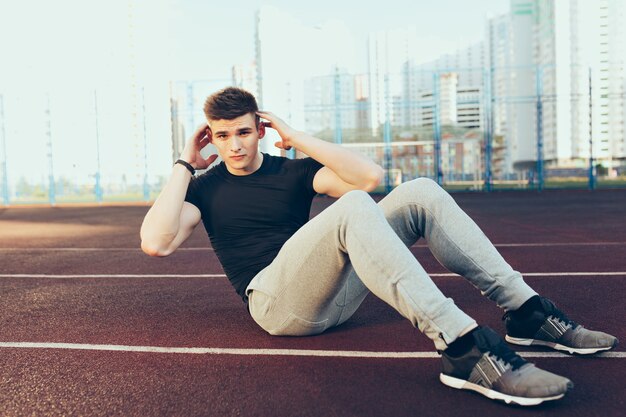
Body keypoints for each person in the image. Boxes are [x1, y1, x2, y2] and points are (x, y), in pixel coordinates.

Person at [140, 87, 618, 407]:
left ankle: (526, 312)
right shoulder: (204, 188)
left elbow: (371, 179)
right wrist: (186, 160)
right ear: (211, 138)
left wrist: (298, 138)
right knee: (351, 206)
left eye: (243, 132)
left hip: (331, 295)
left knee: (420, 192)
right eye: (222, 136)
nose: (234, 146)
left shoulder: (294, 171)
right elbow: (156, 243)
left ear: (260, 130)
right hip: (275, 305)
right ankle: (463, 348)